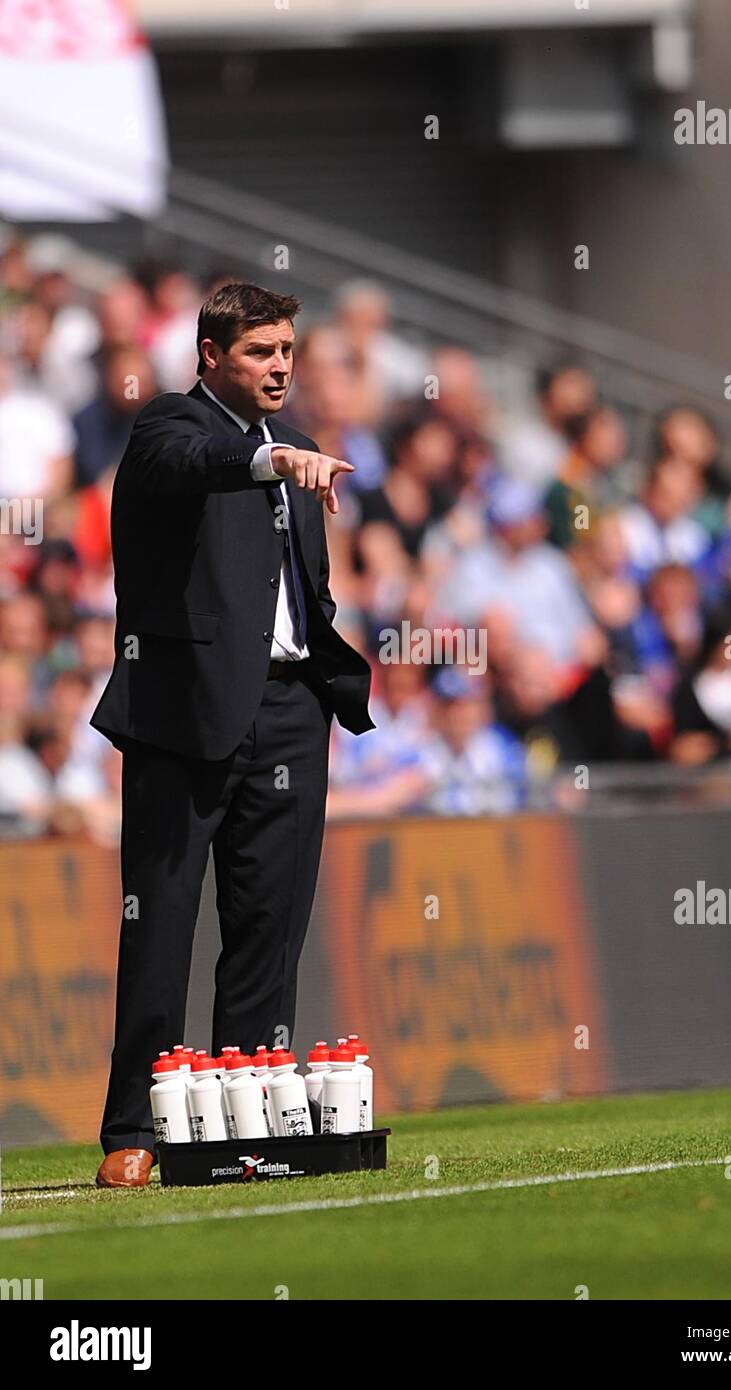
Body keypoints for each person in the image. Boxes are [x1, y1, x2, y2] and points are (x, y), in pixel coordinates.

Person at [89, 282, 374, 1188]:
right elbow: (193, 467)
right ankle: (134, 1128)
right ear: (212, 355)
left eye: (287, 348)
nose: (280, 364)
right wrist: (273, 464)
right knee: (162, 926)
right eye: (260, 351)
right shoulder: (170, 427)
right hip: (186, 716)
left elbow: (297, 590)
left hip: (291, 713)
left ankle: (244, 1127)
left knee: (267, 929)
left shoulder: (297, 450)